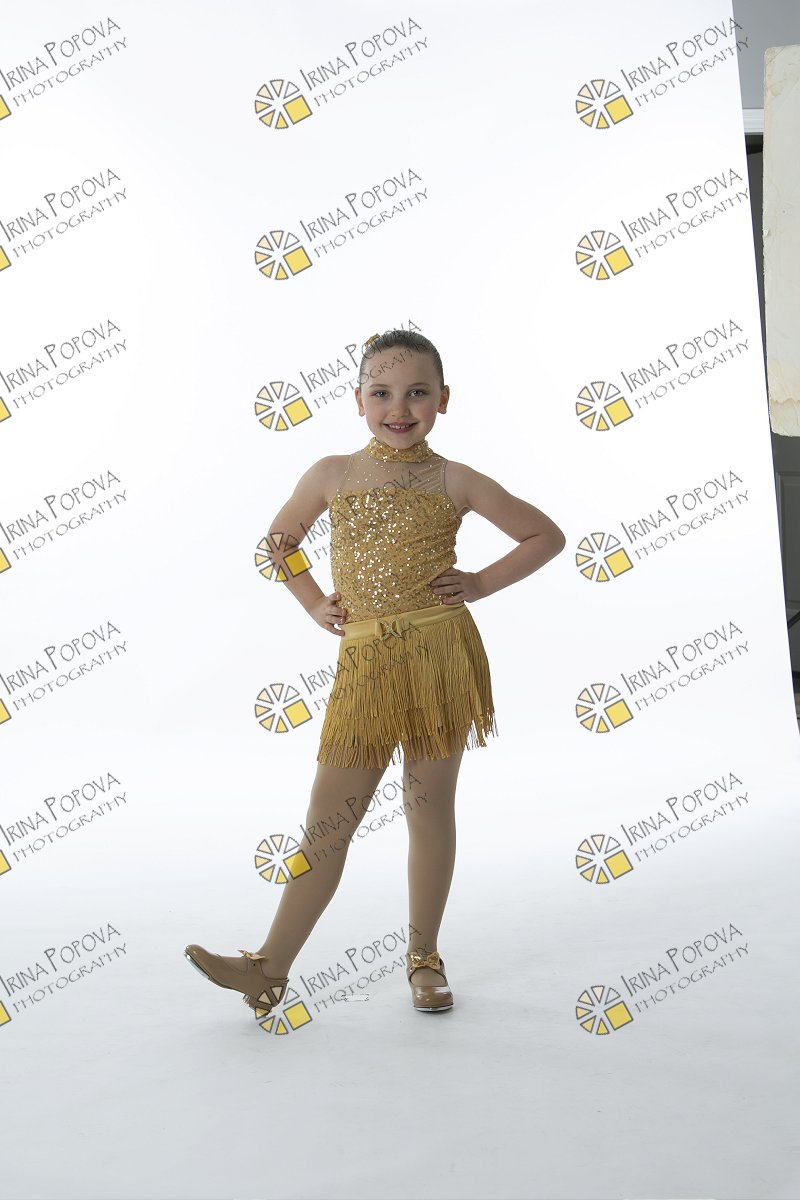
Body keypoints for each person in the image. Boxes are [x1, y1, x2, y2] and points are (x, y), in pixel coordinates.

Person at [185, 329, 566, 1017]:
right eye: (382, 392)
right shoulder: (331, 474)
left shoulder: (455, 478)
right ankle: (269, 968)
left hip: (438, 656)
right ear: (357, 399)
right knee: (329, 818)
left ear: (443, 400)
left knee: (428, 807)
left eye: (417, 393)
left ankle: (425, 958)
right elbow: (279, 543)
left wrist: (479, 583)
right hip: (365, 663)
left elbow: (546, 536)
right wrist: (313, 602)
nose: (399, 407)